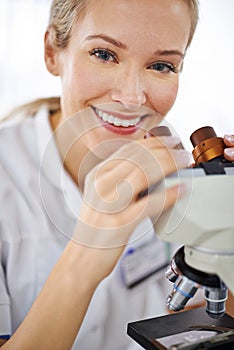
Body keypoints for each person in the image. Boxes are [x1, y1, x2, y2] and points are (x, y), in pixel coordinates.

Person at [0, 0, 233, 349]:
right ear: (52, 52)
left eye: (161, 65)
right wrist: (86, 255)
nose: (132, 97)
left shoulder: (180, 173)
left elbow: (205, 320)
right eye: (104, 54)